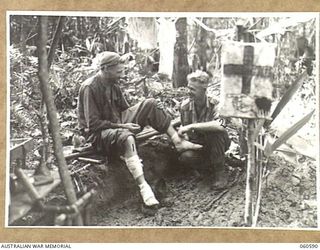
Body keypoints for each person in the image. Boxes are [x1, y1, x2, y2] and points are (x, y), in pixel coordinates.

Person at [77, 51, 202, 209]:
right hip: (97, 134)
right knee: (127, 136)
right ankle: (144, 187)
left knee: (150, 104)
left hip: (116, 124)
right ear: (106, 69)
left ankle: (177, 141)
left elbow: (125, 110)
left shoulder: (113, 84)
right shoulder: (90, 87)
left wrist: (133, 121)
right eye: (119, 72)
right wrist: (124, 127)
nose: (122, 75)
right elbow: (93, 124)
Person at [177, 70, 231, 189]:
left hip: (218, 143)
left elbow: (221, 125)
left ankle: (220, 173)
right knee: (186, 157)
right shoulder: (185, 107)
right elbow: (185, 134)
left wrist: (192, 126)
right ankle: (207, 169)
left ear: (204, 89)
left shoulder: (216, 104)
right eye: (189, 88)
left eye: (193, 90)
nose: (189, 92)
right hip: (198, 146)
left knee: (214, 133)